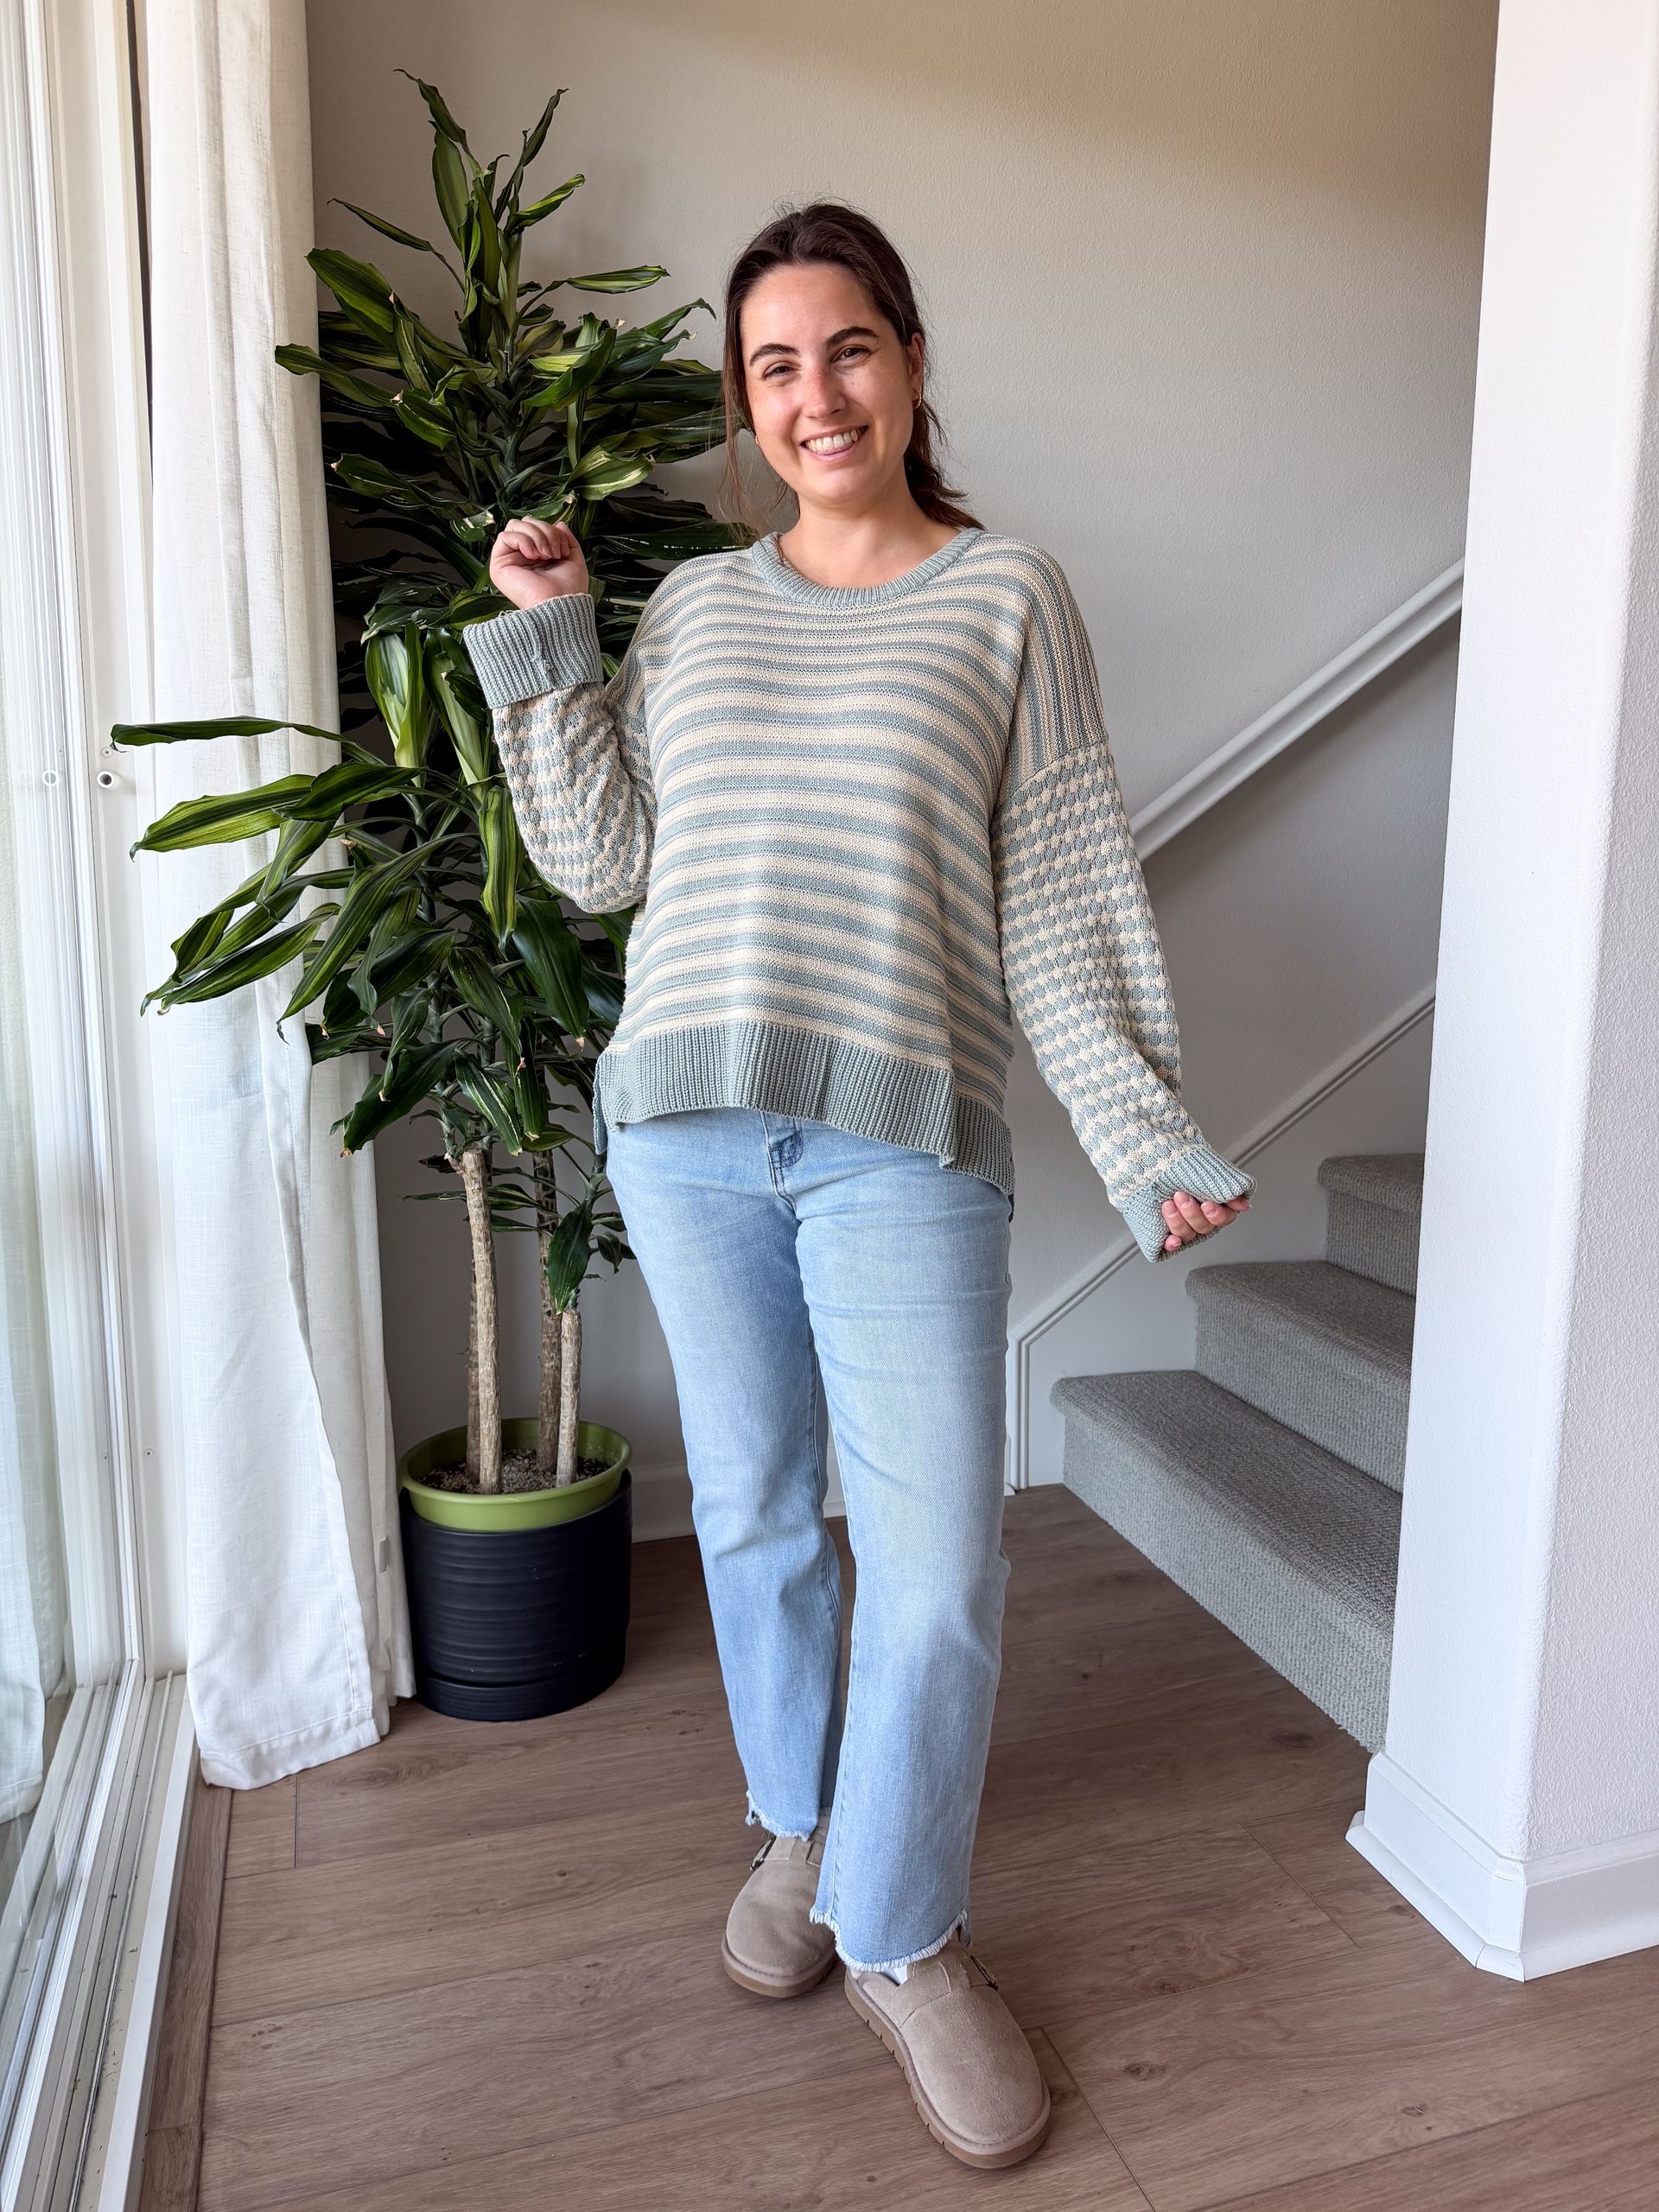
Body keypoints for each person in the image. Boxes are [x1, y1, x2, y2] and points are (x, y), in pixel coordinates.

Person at [462, 200, 1253, 2172]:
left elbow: (1063, 898)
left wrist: (1145, 1130)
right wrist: (552, 634)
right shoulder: (699, 612)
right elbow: (596, 862)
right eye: (775, 367)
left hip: (904, 1141)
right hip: (690, 1125)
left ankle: (903, 1930)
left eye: (850, 347)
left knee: (944, 1562)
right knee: (747, 1513)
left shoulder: (1008, 601)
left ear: (910, 363)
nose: (818, 393)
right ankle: (797, 1827)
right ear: (749, 409)